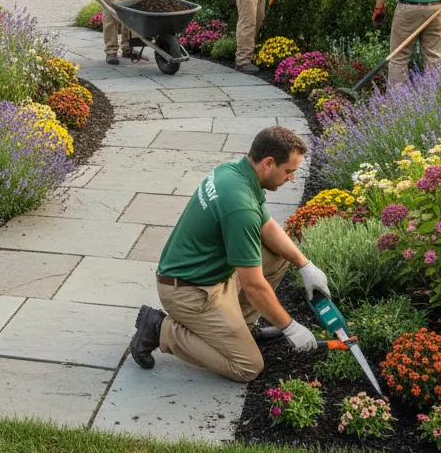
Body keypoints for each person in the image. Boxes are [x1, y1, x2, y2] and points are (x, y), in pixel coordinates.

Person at [130, 126, 328, 382]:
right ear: (268, 163)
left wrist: (304, 264)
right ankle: (159, 329)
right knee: (247, 366)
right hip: (188, 292)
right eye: (289, 171)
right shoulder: (240, 208)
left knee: (279, 257)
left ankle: (241, 330)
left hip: (206, 274)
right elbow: (254, 285)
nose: (291, 178)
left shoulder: (233, 172)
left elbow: (266, 226)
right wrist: (289, 326)